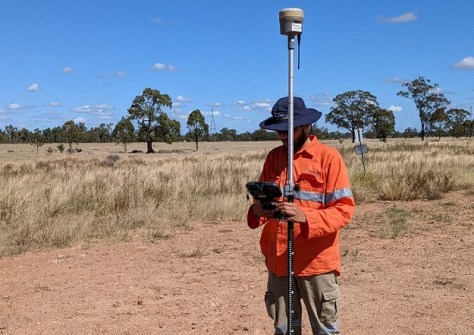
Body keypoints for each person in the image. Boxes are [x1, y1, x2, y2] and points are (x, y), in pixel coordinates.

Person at [247, 96, 355, 335]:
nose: (283, 136)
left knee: (325, 330)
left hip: (316, 263)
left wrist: (306, 217)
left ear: (306, 126)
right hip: (279, 260)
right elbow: (264, 203)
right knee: (285, 328)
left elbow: (344, 210)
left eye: (289, 130)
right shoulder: (274, 157)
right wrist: (258, 210)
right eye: (278, 131)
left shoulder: (329, 159)